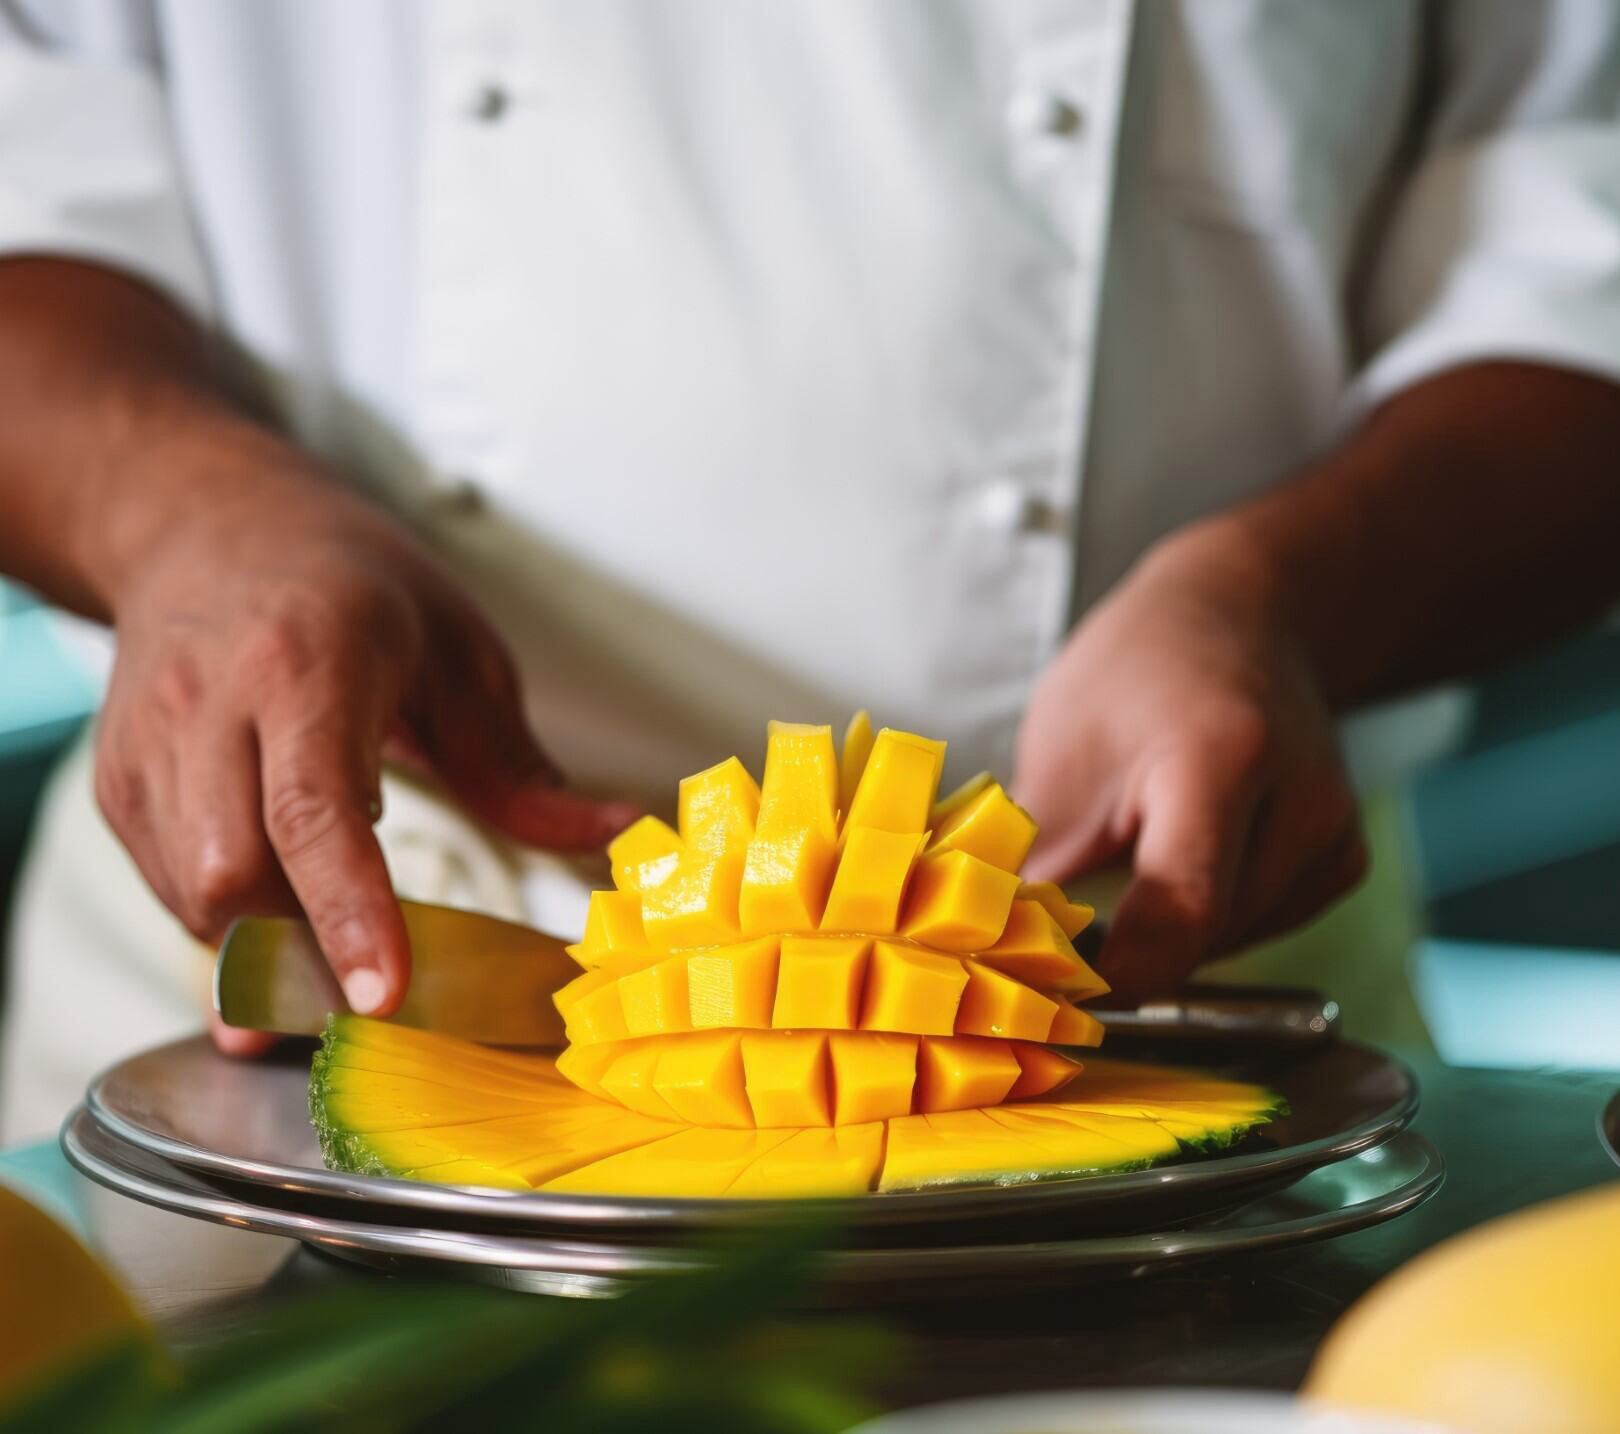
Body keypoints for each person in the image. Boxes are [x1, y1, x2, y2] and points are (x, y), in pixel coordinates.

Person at [2, 2, 1619, 1138]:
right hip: (328, 940)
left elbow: (1580, 262)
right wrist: (177, 511)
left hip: (1156, 986)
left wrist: (1288, 593)